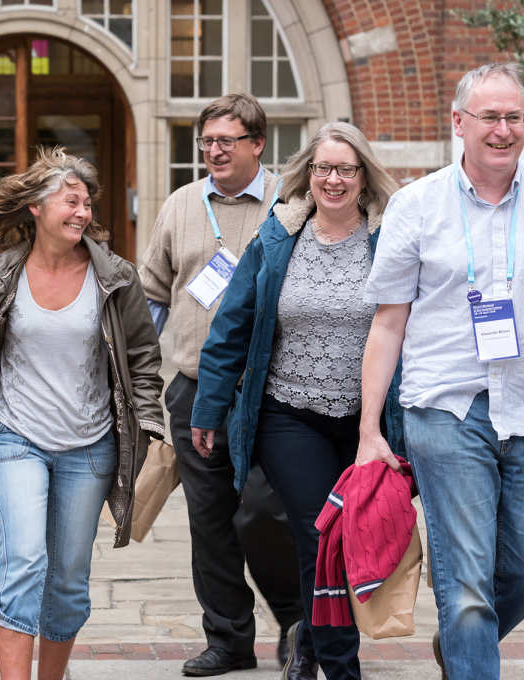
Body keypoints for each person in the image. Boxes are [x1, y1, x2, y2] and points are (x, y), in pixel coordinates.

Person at [357, 62, 524, 680]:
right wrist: (369, 429)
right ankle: (469, 644)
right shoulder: (416, 205)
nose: (503, 129)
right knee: (466, 585)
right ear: (459, 123)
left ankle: (464, 642)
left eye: (514, 117)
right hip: (446, 409)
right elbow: (388, 323)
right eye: (489, 116)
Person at [190, 122, 404, 680]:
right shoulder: (279, 235)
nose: (333, 180)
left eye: (346, 169)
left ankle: (310, 635)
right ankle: (339, 666)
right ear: (308, 174)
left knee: (351, 536)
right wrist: (209, 406)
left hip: (367, 419)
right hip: (289, 414)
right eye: (323, 168)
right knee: (319, 534)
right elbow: (232, 324)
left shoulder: (389, 237)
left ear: (363, 177)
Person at [0, 147, 164, 680]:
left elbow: (142, 357)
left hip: (89, 447)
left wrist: (149, 423)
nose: (82, 212)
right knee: (22, 561)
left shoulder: (116, 277)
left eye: (86, 203)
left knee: (66, 581)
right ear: (36, 208)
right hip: (16, 437)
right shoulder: (2, 273)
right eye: (70, 201)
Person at [139, 93, 304, 676]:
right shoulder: (182, 204)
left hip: (273, 393)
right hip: (193, 388)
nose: (213, 151)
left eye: (226, 141)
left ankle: (299, 623)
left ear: (257, 144)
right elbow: (152, 296)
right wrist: (136, 375)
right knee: (209, 522)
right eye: (206, 141)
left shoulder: (292, 204)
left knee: (265, 513)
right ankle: (229, 639)